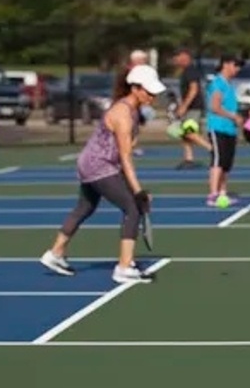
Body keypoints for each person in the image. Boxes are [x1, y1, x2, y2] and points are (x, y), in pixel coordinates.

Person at [40, 64, 166, 284]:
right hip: (98, 165)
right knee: (132, 208)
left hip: (91, 163)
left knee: (85, 207)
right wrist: (137, 191)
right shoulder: (123, 114)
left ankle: (55, 254)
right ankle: (124, 268)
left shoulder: (132, 111)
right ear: (135, 88)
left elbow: (122, 156)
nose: (153, 96)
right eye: (149, 91)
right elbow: (126, 157)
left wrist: (134, 188)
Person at [204, 55, 243, 207]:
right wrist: (233, 116)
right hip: (218, 127)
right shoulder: (217, 83)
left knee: (227, 163)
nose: (237, 69)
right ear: (226, 64)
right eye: (235, 65)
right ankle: (213, 194)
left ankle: (222, 192)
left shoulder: (229, 85)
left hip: (229, 129)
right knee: (218, 160)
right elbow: (215, 106)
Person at [170, 50, 212, 169]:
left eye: (177, 57)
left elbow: (194, 90)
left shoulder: (191, 70)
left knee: (189, 132)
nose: (176, 60)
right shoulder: (185, 71)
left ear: (185, 57)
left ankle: (213, 150)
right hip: (190, 107)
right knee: (184, 134)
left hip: (194, 107)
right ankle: (188, 158)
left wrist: (184, 106)